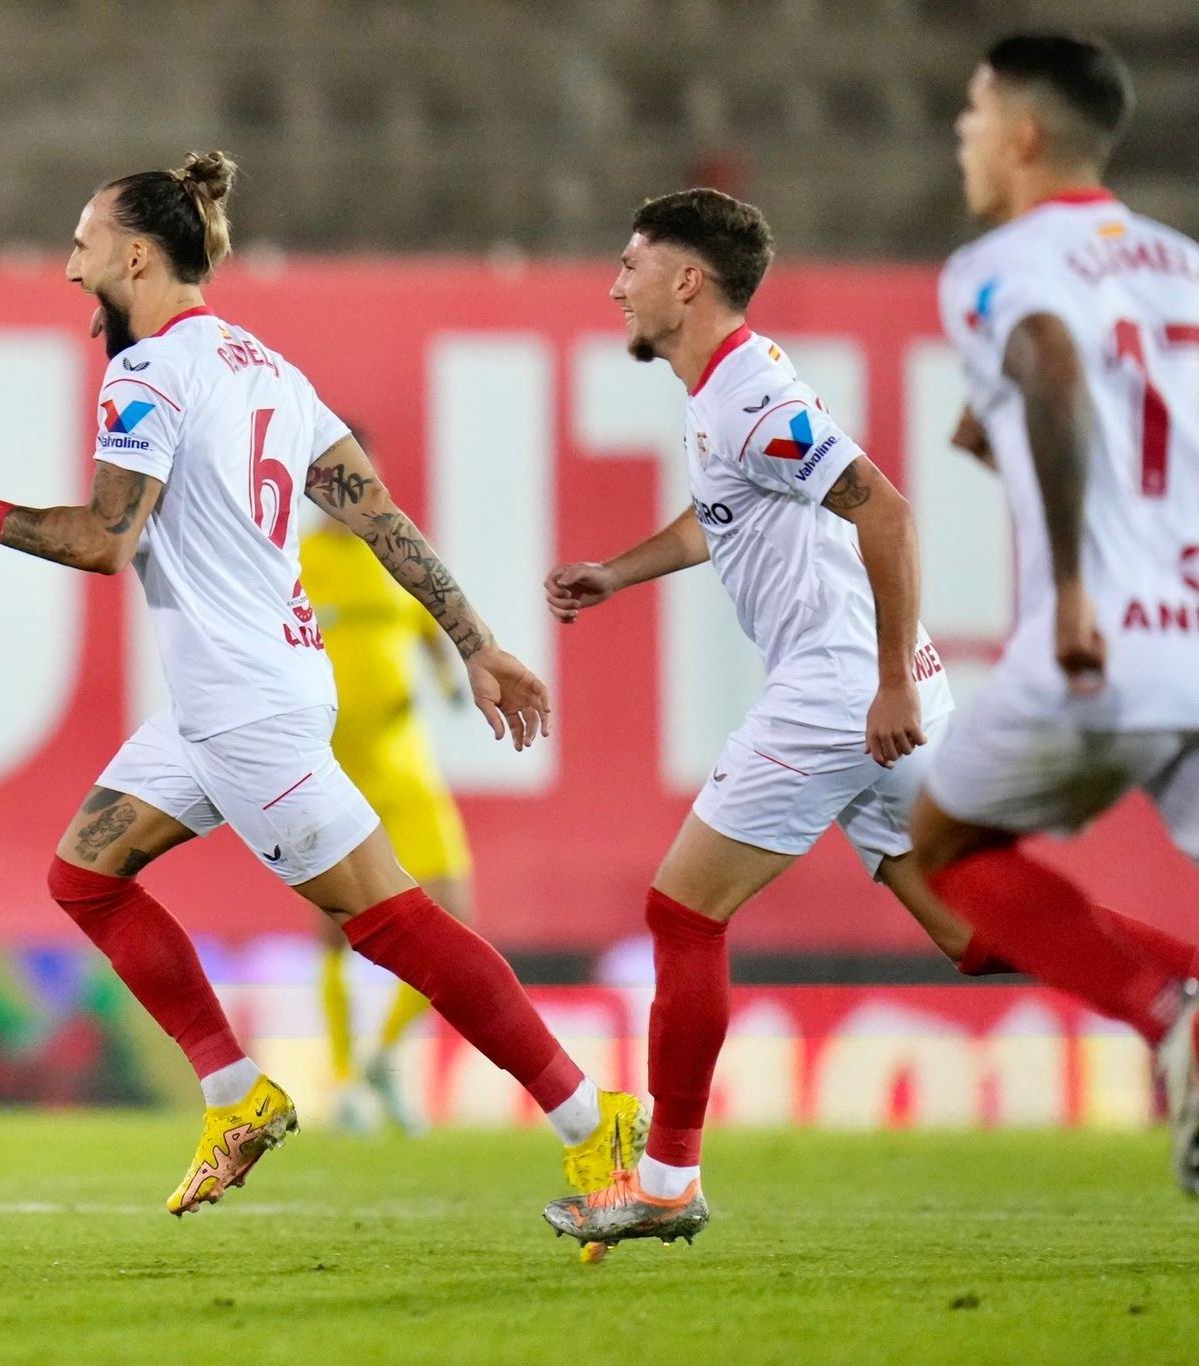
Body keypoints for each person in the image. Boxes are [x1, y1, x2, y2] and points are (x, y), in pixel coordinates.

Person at [0, 151, 645, 1216]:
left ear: (135, 255)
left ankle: (588, 1120)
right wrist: (475, 641)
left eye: (81, 245)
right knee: (84, 876)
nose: (71, 270)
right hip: (245, 693)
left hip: (245, 709)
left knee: (392, 921)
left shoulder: (147, 374)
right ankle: (234, 1092)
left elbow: (106, 540)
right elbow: (378, 516)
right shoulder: (267, 368)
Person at [540, 187, 1199, 1252]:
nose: (615, 286)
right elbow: (722, 516)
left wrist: (886, 679)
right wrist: (616, 572)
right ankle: (1183, 987)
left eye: (630, 265)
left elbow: (886, 509)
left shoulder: (751, 393)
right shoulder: (725, 393)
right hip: (874, 685)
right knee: (969, 932)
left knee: (683, 914)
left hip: (840, 688)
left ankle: (666, 1181)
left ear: (686, 281)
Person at [909, 32, 1199, 1194]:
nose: (961, 136)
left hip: (1102, 640)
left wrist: (1073, 587)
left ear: (1023, 134)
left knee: (937, 850)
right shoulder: (1183, 264)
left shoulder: (1000, 263)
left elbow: (1047, 357)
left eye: (973, 114)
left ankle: (1169, 1009)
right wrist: (1001, 426)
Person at [299, 454, 474, 1134]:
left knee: (455, 917)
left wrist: (450, 680)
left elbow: (430, 626)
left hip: (404, 764)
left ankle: (383, 1056)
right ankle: (344, 1082)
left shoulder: (397, 551)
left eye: (359, 476)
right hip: (333, 767)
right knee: (336, 928)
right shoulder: (298, 559)